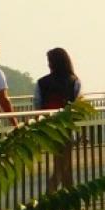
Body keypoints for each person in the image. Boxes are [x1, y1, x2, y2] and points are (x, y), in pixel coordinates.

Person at [34, 48, 82, 192]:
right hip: (67, 128)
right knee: (62, 168)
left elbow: (37, 105)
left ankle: (69, 199)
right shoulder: (74, 81)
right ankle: (51, 198)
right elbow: (78, 105)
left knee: (64, 168)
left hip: (49, 128)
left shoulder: (42, 82)